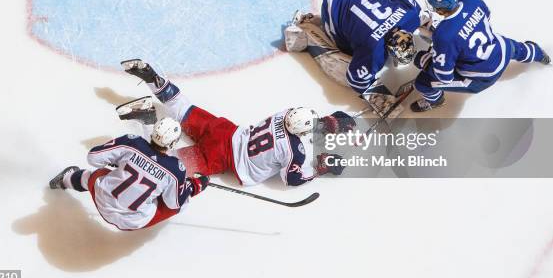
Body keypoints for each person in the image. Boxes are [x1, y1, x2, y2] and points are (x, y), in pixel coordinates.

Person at [118, 59, 350, 186]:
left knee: (182, 107)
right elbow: (292, 178)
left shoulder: (285, 113)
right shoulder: (295, 152)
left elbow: (303, 123)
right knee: (164, 164)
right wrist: (320, 167)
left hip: (225, 130)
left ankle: (156, 82)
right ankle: (148, 119)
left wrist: (328, 122)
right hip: (224, 158)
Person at [285, 0, 428, 114]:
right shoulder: (374, 51)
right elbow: (356, 79)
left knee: (382, 4)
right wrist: (379, 97)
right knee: (345, 59)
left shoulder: (411, 16)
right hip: (331, 4)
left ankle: (362, 4)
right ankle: (306, 31)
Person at [48, 118, 209, 231]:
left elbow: (93, 157)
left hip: (102, 201)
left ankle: (66, 180)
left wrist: (119, 160)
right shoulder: (175, 169)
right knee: (178, 203)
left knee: (96, 175)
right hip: (132, 222)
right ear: (173, 143)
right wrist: (195, 185)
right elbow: (174, 203)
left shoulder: (132, 143)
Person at [410, 0, 551, 112]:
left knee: (422, 83)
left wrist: (422, 60)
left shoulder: (443, 35)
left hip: (481, 77)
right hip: (501, 50)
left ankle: (435, 101)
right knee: (518, 49)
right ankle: (539, 54)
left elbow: (445, 77)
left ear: (440, 11)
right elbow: (486, 16)